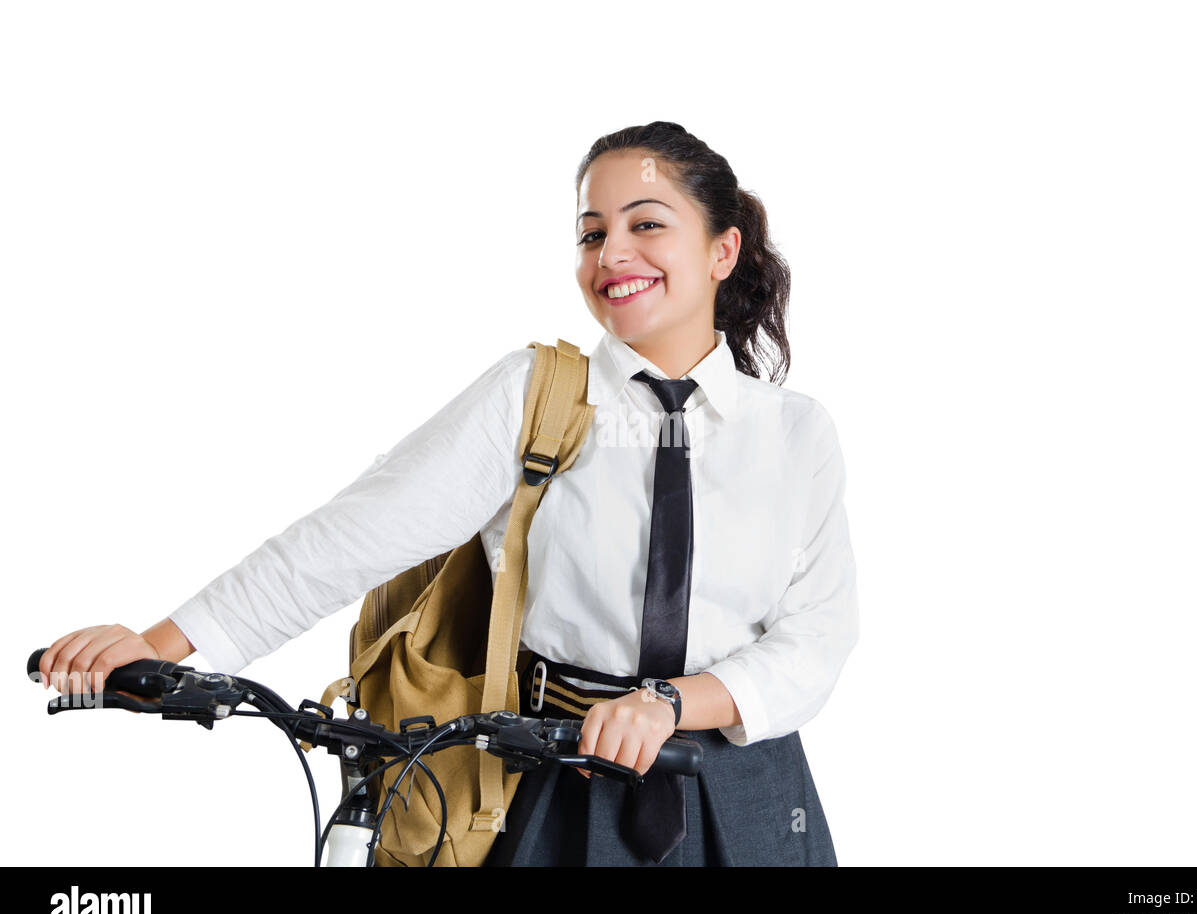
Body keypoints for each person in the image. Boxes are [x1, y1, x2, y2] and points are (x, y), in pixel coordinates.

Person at [37, 120, 859, 867]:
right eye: (591, 232)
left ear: (723, 250)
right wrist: (163, 641)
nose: (611, 255)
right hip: (560, 780)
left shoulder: (796, 434)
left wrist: (670, 704)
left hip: (748, 797)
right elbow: (351, 537)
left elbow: (816, 639)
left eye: (646, 224)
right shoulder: (537, 397)